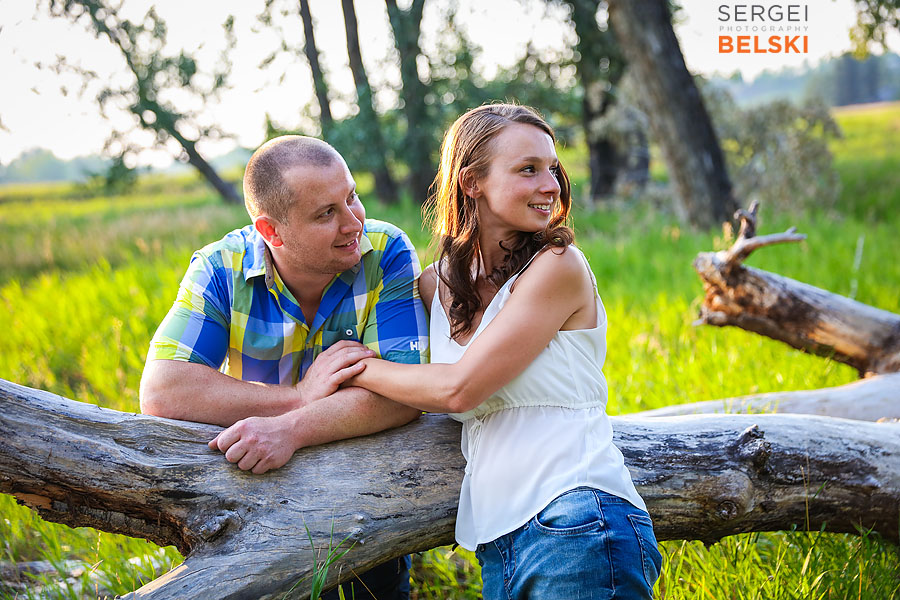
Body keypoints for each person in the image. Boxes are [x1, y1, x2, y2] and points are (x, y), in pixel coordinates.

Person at [345, 104, 662, 599]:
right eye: (528, 169)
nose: (552, 185)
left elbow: (459, 389)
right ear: (471, 182)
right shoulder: (434, 286)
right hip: (498, 542)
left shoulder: (558, 266)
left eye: (552, 168)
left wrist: (356, 369)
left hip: (578, 516)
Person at [139, 135, 427, 599]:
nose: (353, 221)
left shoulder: (385, 251)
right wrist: (298, 396)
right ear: (271, 232)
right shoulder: (220, 268)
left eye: (351, 196)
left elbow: (408, 394)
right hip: (259, 494)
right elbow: (163, 391)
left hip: (367, 494)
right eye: (326, 213)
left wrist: (291, 428)